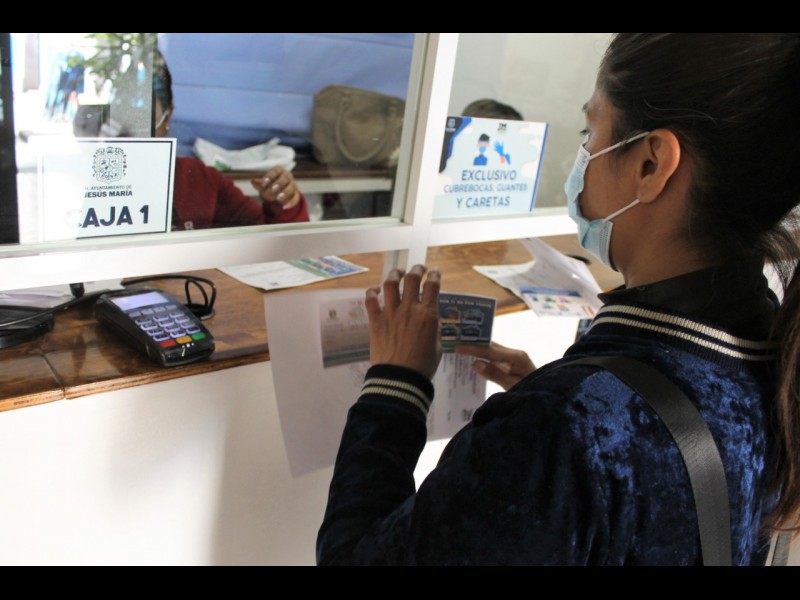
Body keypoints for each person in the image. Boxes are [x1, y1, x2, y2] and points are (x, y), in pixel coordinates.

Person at [317, 33, 800, 565]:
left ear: (651, 164)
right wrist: (568, 396)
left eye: (590, 132)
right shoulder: (776, 361)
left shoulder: (559, 428)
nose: (583, 158)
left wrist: (395, 386)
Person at [152, 54, 309, 230]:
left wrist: (283, 203)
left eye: (145, 116)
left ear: (167, 118)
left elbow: (273, 238)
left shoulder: (199, 181)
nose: (133, 133)